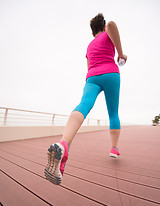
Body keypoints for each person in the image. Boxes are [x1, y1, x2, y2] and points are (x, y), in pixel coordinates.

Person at [44, 13, 127, 185]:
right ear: (102, 28)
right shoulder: (107, 31)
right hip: (110, 73)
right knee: (113, 112)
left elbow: (88, 67)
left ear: (92, 32)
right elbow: (112, 24)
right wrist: (120, 53)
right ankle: (114, 149)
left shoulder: (89, 46)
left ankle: (64, 143)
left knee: (84, 104)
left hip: (92, 77)